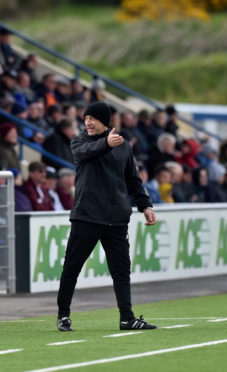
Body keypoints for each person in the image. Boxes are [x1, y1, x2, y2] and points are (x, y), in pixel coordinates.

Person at [56, 101, 157, 332]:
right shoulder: (79, 141)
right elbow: (86, 152)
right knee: (72, 267)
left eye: (93, 118)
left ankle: (127, 318)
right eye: (85, 118)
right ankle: (63, 315)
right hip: (87, 216)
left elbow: (133, 179)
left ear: (105, 121)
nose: (88, 122)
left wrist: (146, 206)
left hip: (116, 219)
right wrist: (106, 143)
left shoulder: (123, 146)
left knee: (121, 271)